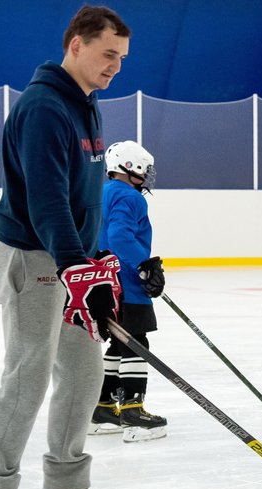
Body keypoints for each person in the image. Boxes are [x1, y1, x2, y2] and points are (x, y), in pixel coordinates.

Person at [0, 6, 133, 489]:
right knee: (28, 375)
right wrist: (75, 266)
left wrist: (99, 258)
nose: (116, 67)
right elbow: (45, 202)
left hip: (69, 259)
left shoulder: (86, 104)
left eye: (121, 57)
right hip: (33, 258)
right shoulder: (43, 108)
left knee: (84, 372)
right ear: (76, 45)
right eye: (108, 54)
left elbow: (81, 197)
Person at [88, 140, 169, 443]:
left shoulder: (100, 193)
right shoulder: (130, 197)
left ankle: (103, 408)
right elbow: (120, 235)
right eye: (144, 169)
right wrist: (145, 264)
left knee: (119, 344)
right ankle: (133, 411)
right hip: (127, 283)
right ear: (129, 168)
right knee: (136, 342)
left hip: (104, 282)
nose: (147, 175)